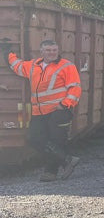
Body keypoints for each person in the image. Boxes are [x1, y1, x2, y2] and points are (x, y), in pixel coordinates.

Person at [7, 40, 81, 181]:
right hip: (38, 112)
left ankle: (50, 173)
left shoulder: (66, 66)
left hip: (58, 111)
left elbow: (75, 88)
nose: (51, 53)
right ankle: (67, 160)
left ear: (58, 50)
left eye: (54, 50)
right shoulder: (33, 65)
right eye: (48, 50)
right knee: (35, 139)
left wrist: (65, 104)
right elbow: (17, 66)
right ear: (41, 51)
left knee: (56, 141)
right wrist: (7, 53)